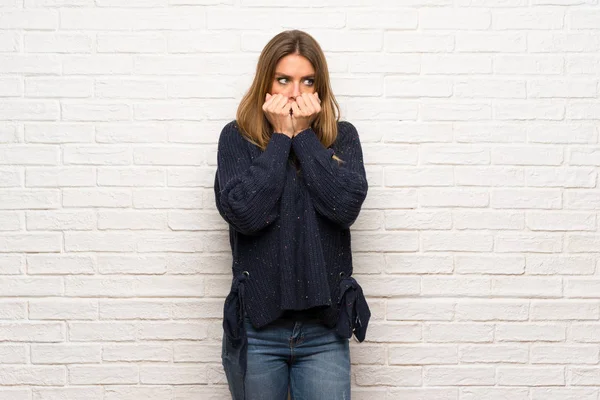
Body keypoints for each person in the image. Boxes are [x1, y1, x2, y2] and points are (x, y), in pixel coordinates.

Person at [214, 29, 370, 400]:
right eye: (284, 80)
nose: (295, 93)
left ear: (320, 87)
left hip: (324, 331)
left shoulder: (341, 138)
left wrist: (303, 138)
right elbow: (246, 214)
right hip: (257, 328)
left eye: (307, 81)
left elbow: (344, 206)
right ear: (266, 83)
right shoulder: (237, 139)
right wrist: (281, 139)